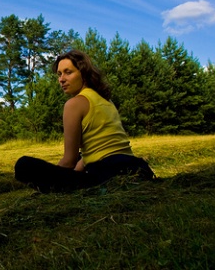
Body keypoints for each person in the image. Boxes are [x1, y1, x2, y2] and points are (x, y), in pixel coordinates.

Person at [15, 49, 155, 192]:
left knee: (24, 165)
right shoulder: (107, 101)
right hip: (138, 169)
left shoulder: (74, 104)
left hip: (108, 175)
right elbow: (90, 153)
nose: (61, 79)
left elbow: (69, 161)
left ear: (84, 73)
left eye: (68, 72)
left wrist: (56, 179)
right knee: (81, 157)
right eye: (59, 74)